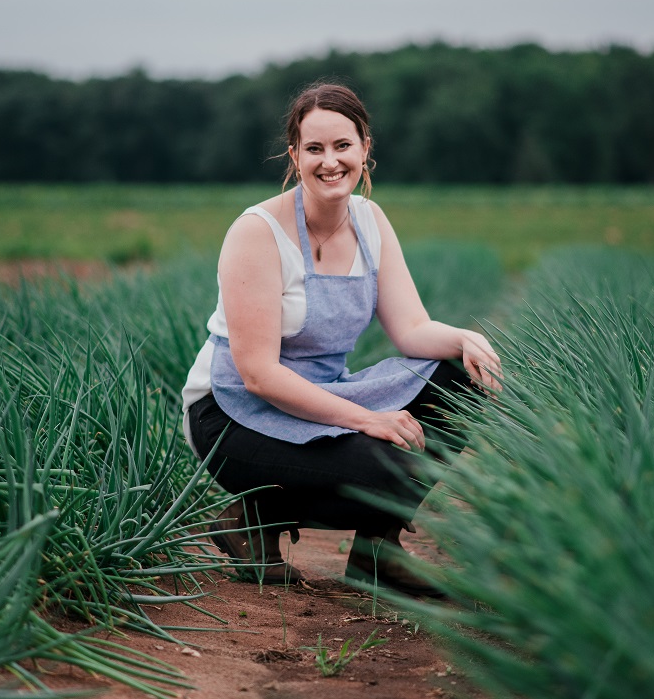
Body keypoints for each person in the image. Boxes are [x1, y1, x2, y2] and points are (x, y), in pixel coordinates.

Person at [180, 82, 501, 596]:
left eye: (342, 146)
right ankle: (251, 517)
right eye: (315, 149)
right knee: (391, 465)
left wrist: (466, 339)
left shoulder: (370, 221)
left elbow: (412, 330)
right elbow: (259, 375)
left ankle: (377, 554)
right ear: (295, 156)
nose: (330, 162)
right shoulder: (258, 232)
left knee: (461, 376)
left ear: (365, 148)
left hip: (322, 397)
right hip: (234, 412)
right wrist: (369, 420)